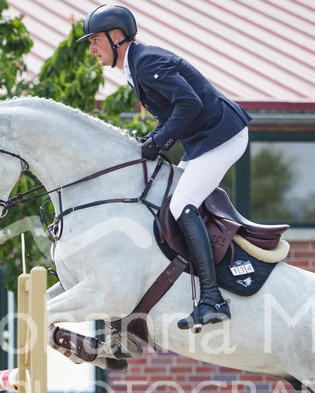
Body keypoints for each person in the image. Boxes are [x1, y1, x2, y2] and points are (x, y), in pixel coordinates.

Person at [80, 4, 252, 332]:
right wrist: (154, 139)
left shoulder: (146, 63)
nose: (91, 49)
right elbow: (177, 110)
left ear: (116, 37)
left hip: (223, 136)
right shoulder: (137, 65)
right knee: (168, 200)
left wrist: (159, 142)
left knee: (182, 205)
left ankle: (212, 299)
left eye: (95, 40)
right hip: (205, 140)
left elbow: (190, 103)